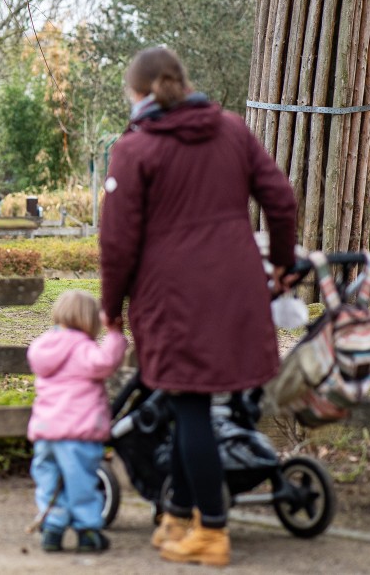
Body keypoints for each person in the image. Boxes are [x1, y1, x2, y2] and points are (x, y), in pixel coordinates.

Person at [99, 46, 297, 568]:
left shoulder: (135, 150)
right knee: (197, 407)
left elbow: (116, 242)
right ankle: (177, 514)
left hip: (174, 298)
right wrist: (280, 263)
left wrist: (110, 308)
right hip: (237, 291)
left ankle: (211, 530)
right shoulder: (232, 129)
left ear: (139, 94)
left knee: (190, 412)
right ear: (185, 85)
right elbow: (282, 199)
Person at [27, 289, 128, 553]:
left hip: (45, 432)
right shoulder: (83, 349)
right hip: (77, 434)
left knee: (49, 480)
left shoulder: (43, 347)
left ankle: (52, 527)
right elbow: (106, 363)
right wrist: (115, 335)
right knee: (81, 482)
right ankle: (87, 531)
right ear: (89, 320)